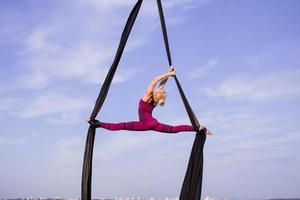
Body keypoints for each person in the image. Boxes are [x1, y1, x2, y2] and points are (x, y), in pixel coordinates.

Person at [87, 66, 213, 135]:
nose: (159, 88)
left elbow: (155, 80)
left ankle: (97, 124)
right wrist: (169, 73)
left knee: (120, 126)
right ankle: (197, 128)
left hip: (143, 124)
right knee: (173, 129)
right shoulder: (156, 99)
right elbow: (161, 85)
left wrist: (168, 75)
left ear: (157, 94)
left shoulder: (148, 96)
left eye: (159, 89)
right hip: (154, 123)